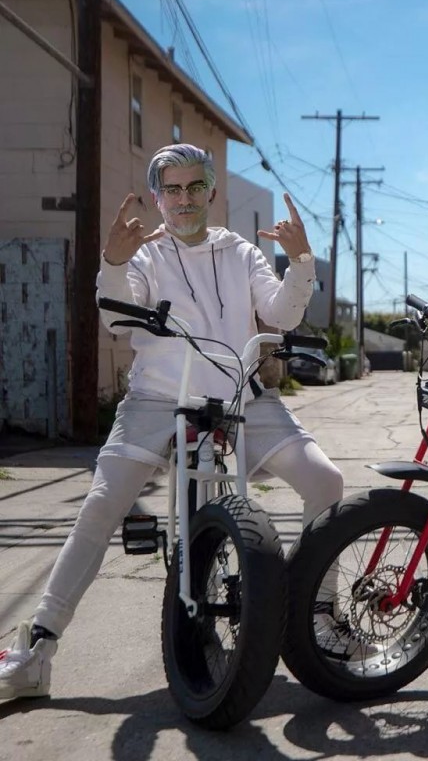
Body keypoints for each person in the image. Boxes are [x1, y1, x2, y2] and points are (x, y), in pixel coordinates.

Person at [0, 143, 344, 701]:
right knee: (102, 505)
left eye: (195, 187)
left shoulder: (239, 251)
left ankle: (320, 617)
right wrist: (114, 264)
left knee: (326, 481)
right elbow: (118, 320)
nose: (184, 200)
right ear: (157, 197)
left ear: (211, 192)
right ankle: (37, 646)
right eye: (172, 190)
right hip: (158, 398)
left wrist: (301, 262)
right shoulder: (145, 254)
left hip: (241, 393)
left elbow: (280, 314)